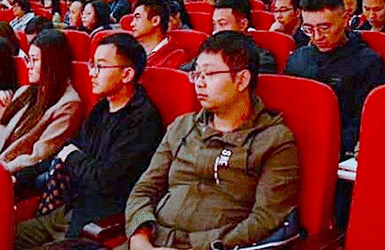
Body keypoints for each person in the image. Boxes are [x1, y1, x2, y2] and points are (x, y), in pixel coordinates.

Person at [126, 31, 299, 250]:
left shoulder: (274, 140)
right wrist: (140, 237)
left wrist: (194, 246)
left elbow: (265, 219)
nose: (199, 83)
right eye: (196, 74)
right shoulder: (182, 126)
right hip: (152, 241)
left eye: (209, 74)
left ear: (242, 80)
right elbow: (144, 189)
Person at [13, 33, 165, 248]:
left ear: (127, 74)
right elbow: (65, 151)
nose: (91, 73)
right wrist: (18, 178)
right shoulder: (102, 108)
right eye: (92, 65)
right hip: (71, 209)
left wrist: (73, 157)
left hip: (97, 220)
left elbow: (104, 180)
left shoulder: (142, 121)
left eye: (100, 67)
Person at [286, 0, 385, 158]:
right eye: (309, 29)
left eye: (324, 28)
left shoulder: (369, 63)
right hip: (295, 147)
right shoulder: (297, 59)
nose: (317, 36)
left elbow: (367, 123)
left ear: (345, 19)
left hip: (341, 151)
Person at [0, 30, 83, 175]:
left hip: (15, 174)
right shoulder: (24, 91)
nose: (28, 66)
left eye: (34, 60)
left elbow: (38, 155)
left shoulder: (68, 104)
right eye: (28, 59)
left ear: (52, 63)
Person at [131, 0, 188, 68]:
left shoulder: (174, 55)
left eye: (137, 18)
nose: (132, 24)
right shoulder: (131, 48)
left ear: (155, 21)